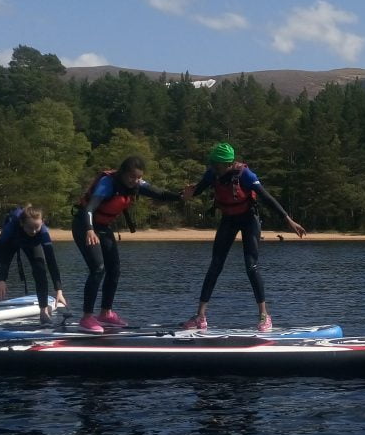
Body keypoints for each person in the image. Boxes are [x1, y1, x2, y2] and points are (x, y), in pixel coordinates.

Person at [181, 142, 306, 331]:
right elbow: (195, 191)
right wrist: (178, 196)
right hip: (228, 220)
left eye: (217, 165)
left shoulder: (246, 175)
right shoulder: (212, 173)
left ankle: (265, 316)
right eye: (213, 164)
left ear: (228, 164)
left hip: (249, 219)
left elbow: (266, 197)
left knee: (251, 266)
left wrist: (288, 220)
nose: (214, 168)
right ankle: (200, 316)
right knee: (215, 265)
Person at [72, 155, 187, 332]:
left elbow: (160, 193)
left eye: (138, 178)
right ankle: (87, 318)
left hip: (102, 227)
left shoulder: (137, 183)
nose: (135, 181)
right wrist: (89, 230)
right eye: (132, 177)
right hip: (84, 226)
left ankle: (105, 313)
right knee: (98, 268)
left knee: (115, 269)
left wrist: (180, 196)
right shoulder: (108, 183)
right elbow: (89, 209)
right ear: (123, 173)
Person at [0, 204, 66, 327]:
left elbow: (52, 262)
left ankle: (44, 313)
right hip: (11, 243)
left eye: (36, 227)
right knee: (0, 275)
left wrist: (58, 290)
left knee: (40, 270)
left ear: (42, 223)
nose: (33, 231)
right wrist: (0, 279)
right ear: (22, 223)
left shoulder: (43, 233)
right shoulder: (10, 228)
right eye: (30, 227)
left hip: (32, 244)